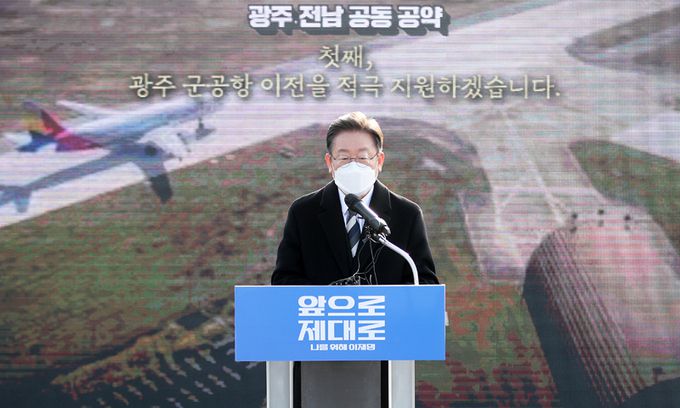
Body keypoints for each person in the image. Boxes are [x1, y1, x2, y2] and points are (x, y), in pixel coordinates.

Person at [271, 112, 438, 285]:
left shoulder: (407, 214)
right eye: (344, 158)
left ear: (379, 160)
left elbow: (424, 282)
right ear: (329, 162)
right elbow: (284, 280)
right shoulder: (303, 212)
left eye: (362, 157)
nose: (353, 165)